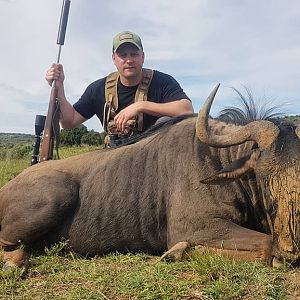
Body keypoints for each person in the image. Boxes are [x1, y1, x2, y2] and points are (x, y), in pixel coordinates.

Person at [45, 31, 194, 141]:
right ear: (114, 59)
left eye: (134, 54)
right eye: (123, 55)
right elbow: (69, 121)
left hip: (153, 160)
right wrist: (60, 88)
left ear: (142, 57)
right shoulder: (98, 89)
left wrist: (141, 106)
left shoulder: (162, 82)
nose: (129, 60)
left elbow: (186, 110)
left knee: (166, 123)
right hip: (114, 161)